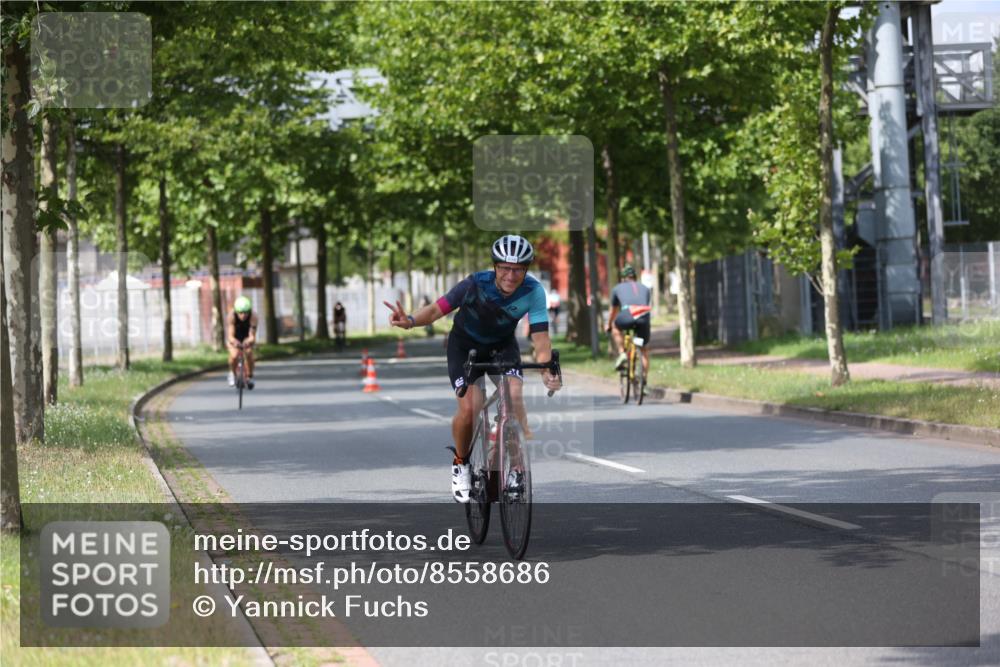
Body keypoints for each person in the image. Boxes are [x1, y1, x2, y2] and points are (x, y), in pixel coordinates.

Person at [384, 234, 561, 503]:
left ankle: (516, 471)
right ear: (495, 266)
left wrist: (547, 371)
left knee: (514, 397)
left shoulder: (533, 291)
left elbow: (541, 338)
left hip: (502, 347)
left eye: (518, 269)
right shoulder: (474, 284)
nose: (510, 276)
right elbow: (435, 311)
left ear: (526, 269)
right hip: (465, 348)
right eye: (505, 268)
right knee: (471, 408)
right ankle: (461, 463)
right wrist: (409, 320)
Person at [607, 264, 652, 377]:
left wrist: (609, 324)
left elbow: (613, 311)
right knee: (644, 349)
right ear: (635, 277)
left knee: (615, 326)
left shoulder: (617, 288)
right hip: (644, 316)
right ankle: (644, 380)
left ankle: (622, 353)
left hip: (628, 314)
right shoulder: (645, 289)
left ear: (623, 278)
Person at [227, 296, 258, 389]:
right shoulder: (231, 316)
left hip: (247, 337)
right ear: (236, 311)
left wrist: (248, 341)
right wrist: (234, 342)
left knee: (249, 353)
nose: (243, 315)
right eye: (240, 312)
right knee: (234, 355)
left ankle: (250, 376)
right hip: (235, 337)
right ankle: (232, 373)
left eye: (246, 312)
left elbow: (252, 336)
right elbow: (230, 336)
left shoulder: (253, 316)